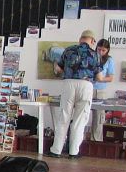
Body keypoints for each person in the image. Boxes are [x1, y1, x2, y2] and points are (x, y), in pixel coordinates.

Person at [49, 30, 104, 159]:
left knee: (64, 118)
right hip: (86, 85)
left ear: (80, 39)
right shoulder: (95, 55)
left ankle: (56, 150)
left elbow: (58, 69)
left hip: (68, 84)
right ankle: (73, 152)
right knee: (79, 120)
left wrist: (58, 65)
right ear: (92, 41)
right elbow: (99, 77)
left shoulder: (68, 50)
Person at [90, 39, 115, 142]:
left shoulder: (109, 60)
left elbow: (110, 78)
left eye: (103, 50)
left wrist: (101, 79)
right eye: (99, 49)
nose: (100, 52)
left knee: (99, 118)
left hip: (100, 91)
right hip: (88, 88)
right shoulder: (91, 56)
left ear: (107, 50)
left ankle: (96, 141)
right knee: (82, 115)